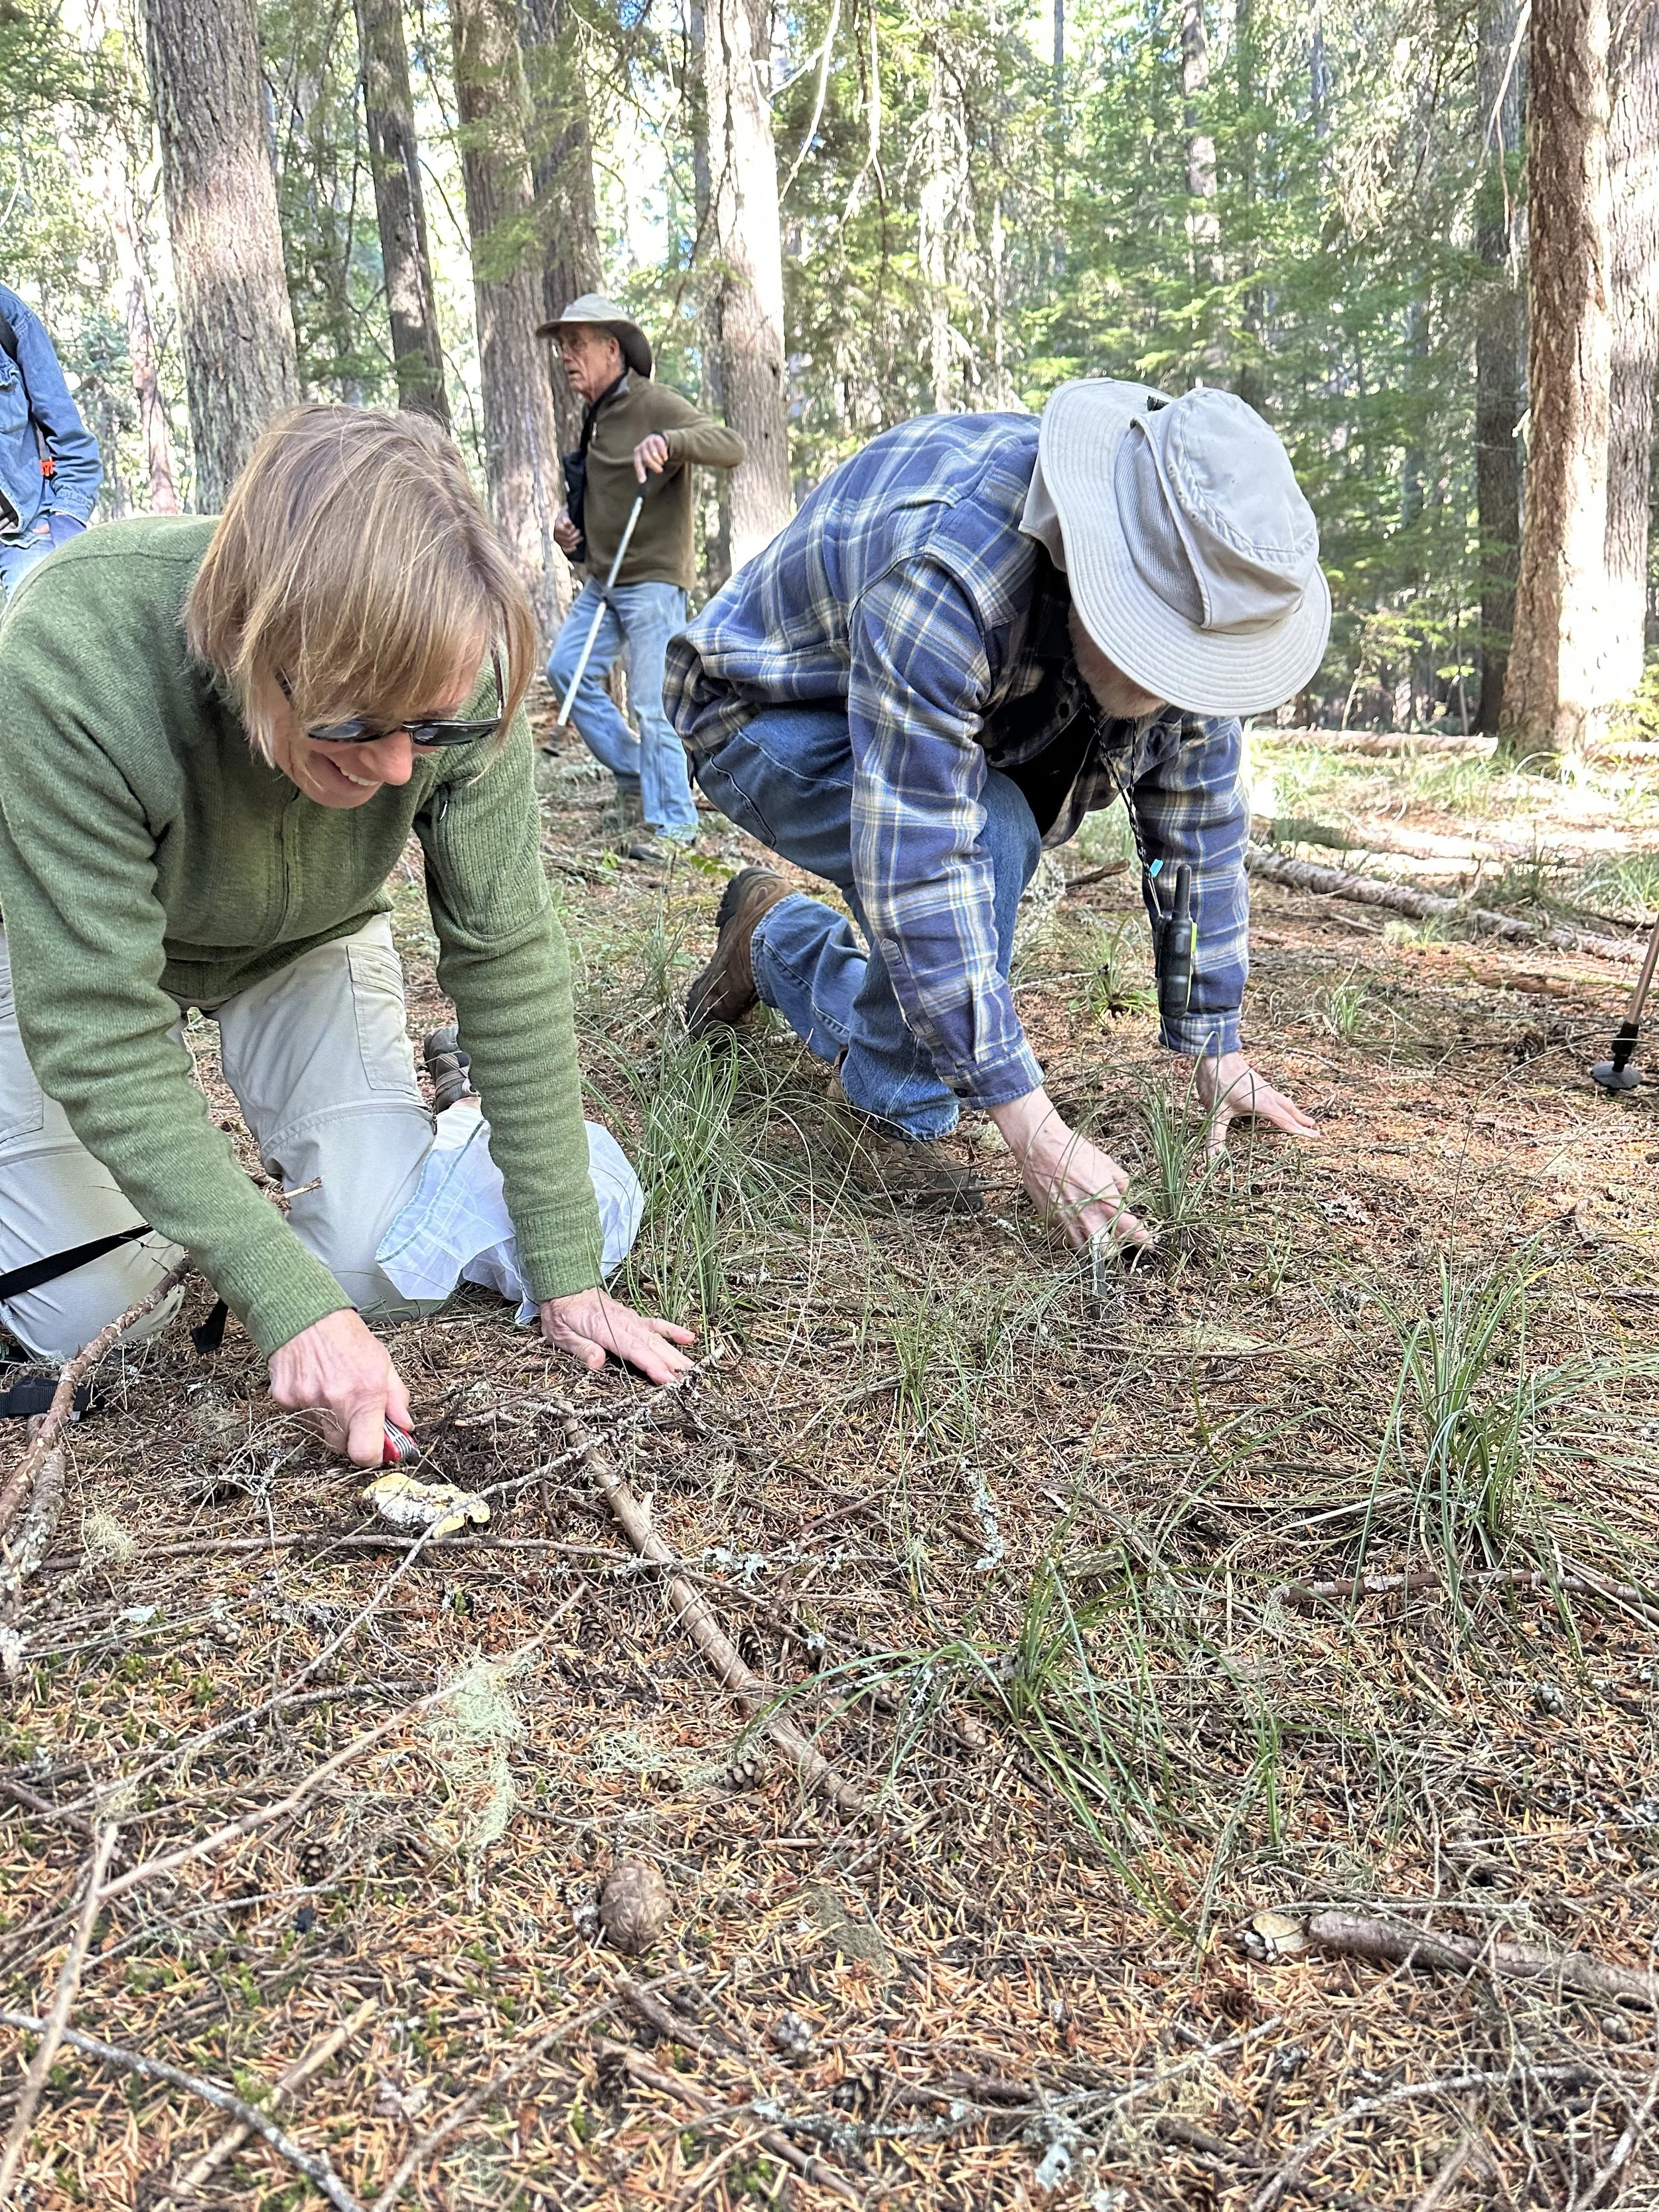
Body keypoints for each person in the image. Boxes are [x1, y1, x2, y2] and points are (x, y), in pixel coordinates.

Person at [0, 405, 693, 1467]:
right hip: (60, 947)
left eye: (431, 728)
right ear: (244, 639)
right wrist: (282, 1294)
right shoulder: (74, 649)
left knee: (382, 1263)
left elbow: (502, 953)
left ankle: (466, 1130)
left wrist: (565, 1268)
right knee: (94, 1312)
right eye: (356, 727)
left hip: (301, 943)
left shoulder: (468, 663)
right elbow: (98, 1026)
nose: (400, 770)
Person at [667, 380, 1329, 1252]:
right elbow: (927, 858)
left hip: (939, 742)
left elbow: (1198, 822)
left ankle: (771, 940)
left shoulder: (1203, 582)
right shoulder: (951, 575)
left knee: (997, 826)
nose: (1173, 691)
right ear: (1091, 557)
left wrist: (1218, 1042)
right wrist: (1032, 1126)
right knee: (993, 833)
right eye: (1150, 644)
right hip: (762, 710)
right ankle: (890, 1100)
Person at [540, 293, 745, 865]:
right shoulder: (596, 417)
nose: (567, 356)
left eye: (577, 344)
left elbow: (731, 446)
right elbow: (596, 498)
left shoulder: (654, 403)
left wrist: (671, 442)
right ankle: (636, 773)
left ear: (612, 349)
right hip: (603, 580)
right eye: (563, 347)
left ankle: (674, 825)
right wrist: (569, 529)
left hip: (652, 582)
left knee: (653, 704)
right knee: (566, 670)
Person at [0, 283, 102, 596]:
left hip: (21, 534)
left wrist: (66, 519)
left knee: (56, 617)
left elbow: (68, 434)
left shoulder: (8, 315)